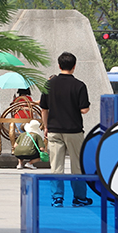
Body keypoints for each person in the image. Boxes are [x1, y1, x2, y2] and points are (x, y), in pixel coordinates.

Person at [40, 51, 92, 207]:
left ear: (59, 65)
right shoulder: (79, 85)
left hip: (54, 129)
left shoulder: (49, 84)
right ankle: (79, 198)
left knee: (56, 166)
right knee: (77, 166)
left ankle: (57, 198)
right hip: (74, 130)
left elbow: (44, 108)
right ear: (74, 66)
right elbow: (84, 110)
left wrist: (46, 126)